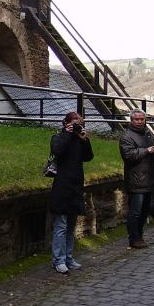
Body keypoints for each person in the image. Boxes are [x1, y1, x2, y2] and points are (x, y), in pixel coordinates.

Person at [48, 111, 94, 273]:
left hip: (76, 187)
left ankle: (68, 257)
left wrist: (84, 139)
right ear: (65, 123)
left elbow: (88, 157)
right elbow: (58, 151)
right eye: (73, 122)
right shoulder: (58, 138)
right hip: (62, 186)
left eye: (78, 122)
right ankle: (58, 260)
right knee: (61, 225)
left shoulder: (79, 140)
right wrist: (68, 134)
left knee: (71, 226)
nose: (76, 125)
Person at [119, 109, 154, 249]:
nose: (139, 121)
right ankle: (134, 238)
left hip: (149, 178)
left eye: (141, 119)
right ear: (131, 120)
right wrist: (146, 151)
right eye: (136, 119)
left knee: (144, 211)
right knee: (135, 212)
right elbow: (128, 155)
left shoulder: (148, 133)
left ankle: (140, 235)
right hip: (136, 180)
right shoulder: (127, 136)